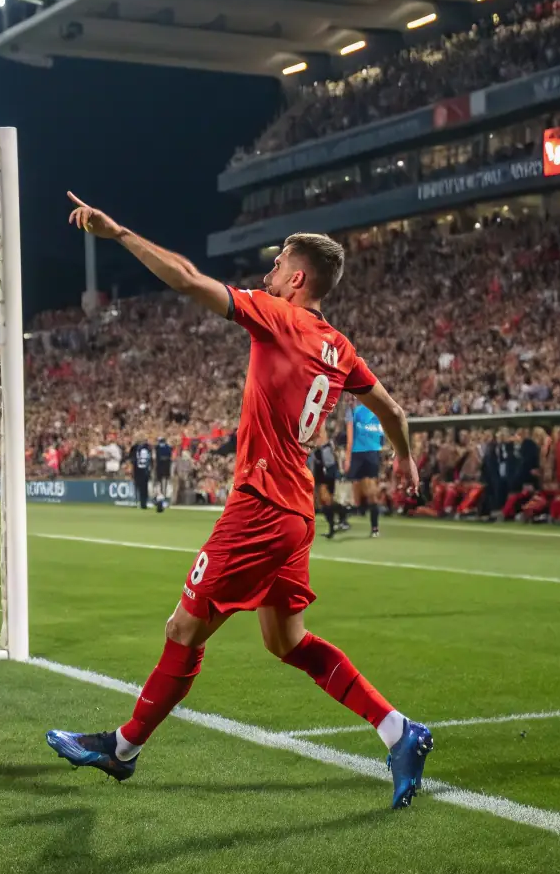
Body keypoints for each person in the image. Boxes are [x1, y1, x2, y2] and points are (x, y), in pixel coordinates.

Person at [47, 195, 433, 810]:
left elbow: (188, 278)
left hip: (260, 505)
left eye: (278, 263)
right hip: (296, 512)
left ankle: (120, 749)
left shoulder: (280, 316)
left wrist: (120, 233)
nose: (269, 273)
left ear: (297, 279)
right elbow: (394, 410)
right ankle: (398, 730)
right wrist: (406, 456)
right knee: (286, 641)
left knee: (184, 628)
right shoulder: (340, 348)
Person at [345, 400, 386, 537]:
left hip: (358, 453)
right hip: (373, 453)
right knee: (370, 490)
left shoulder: (352, 412)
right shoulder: (377, 412)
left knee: (355, 491)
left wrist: (347, 459)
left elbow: (350, 439)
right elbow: (381, 437)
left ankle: (344, 519)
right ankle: (375, 528)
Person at [310, 432, 347, 539]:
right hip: (319, 468)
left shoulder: (324, 441)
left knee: (325, 500)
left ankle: (337, 521)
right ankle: (342, 514)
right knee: (324, 501)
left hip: (326, 469)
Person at [128, 434, 152, 510]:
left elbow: (131, 459)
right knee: (142, 487)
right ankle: (142, 503)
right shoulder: (148, 448)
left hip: (139, 470)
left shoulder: (135, 447)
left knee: (138, 487)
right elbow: (150, 459)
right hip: (144, 470)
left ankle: (137, 502)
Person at [153, 433, 173, 507]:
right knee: (162, 484)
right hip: (164, 468)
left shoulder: (158, 447)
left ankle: (162, 499)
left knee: (161, 484)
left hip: (161, 468)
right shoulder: (167, 447)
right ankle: (162, 499)